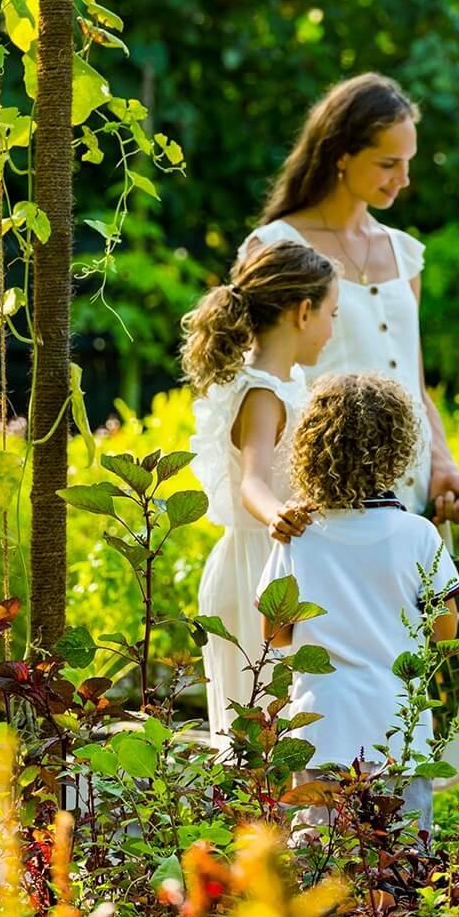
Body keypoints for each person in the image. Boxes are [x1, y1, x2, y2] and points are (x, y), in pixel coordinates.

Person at [244, 74, 459, 525]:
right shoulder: (275, 246)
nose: (403, 179)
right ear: (341, 155)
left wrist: (443, 463)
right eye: (388, 164)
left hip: (410, 496)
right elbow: (259, 378)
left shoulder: (404, 253)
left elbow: (414, 380)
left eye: (407, 163)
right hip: (322, 495)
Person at [258, 373, 459, 840]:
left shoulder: (298, 535)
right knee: (402, 858)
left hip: (321, 724)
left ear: (311, 449)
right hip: (398, 729)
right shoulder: (418, 535)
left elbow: (274, 635)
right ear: (399, 450)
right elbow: (445, 631)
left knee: (321, 857)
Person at [182, 239, 340, 740]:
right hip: (257, 566)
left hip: (273, 560)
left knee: (278, 734)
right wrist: (278, 515)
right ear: (304, 311)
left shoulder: (284, 382)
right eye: (331, 315)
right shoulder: (263, 393)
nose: (332, 330)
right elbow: (253, 479)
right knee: (261, 738)